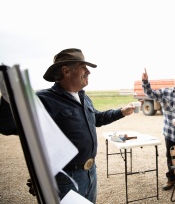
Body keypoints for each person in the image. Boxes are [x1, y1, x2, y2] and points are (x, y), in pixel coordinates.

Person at [0, 48, 136, 203]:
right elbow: (8, 127)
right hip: (66, 178)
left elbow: (96, 118)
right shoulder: (44, 100)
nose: (88, 72)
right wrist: (7, 100)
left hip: (90, 172)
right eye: (83, 67)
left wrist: (122, 112)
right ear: (66, 70)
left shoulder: (83, 97)